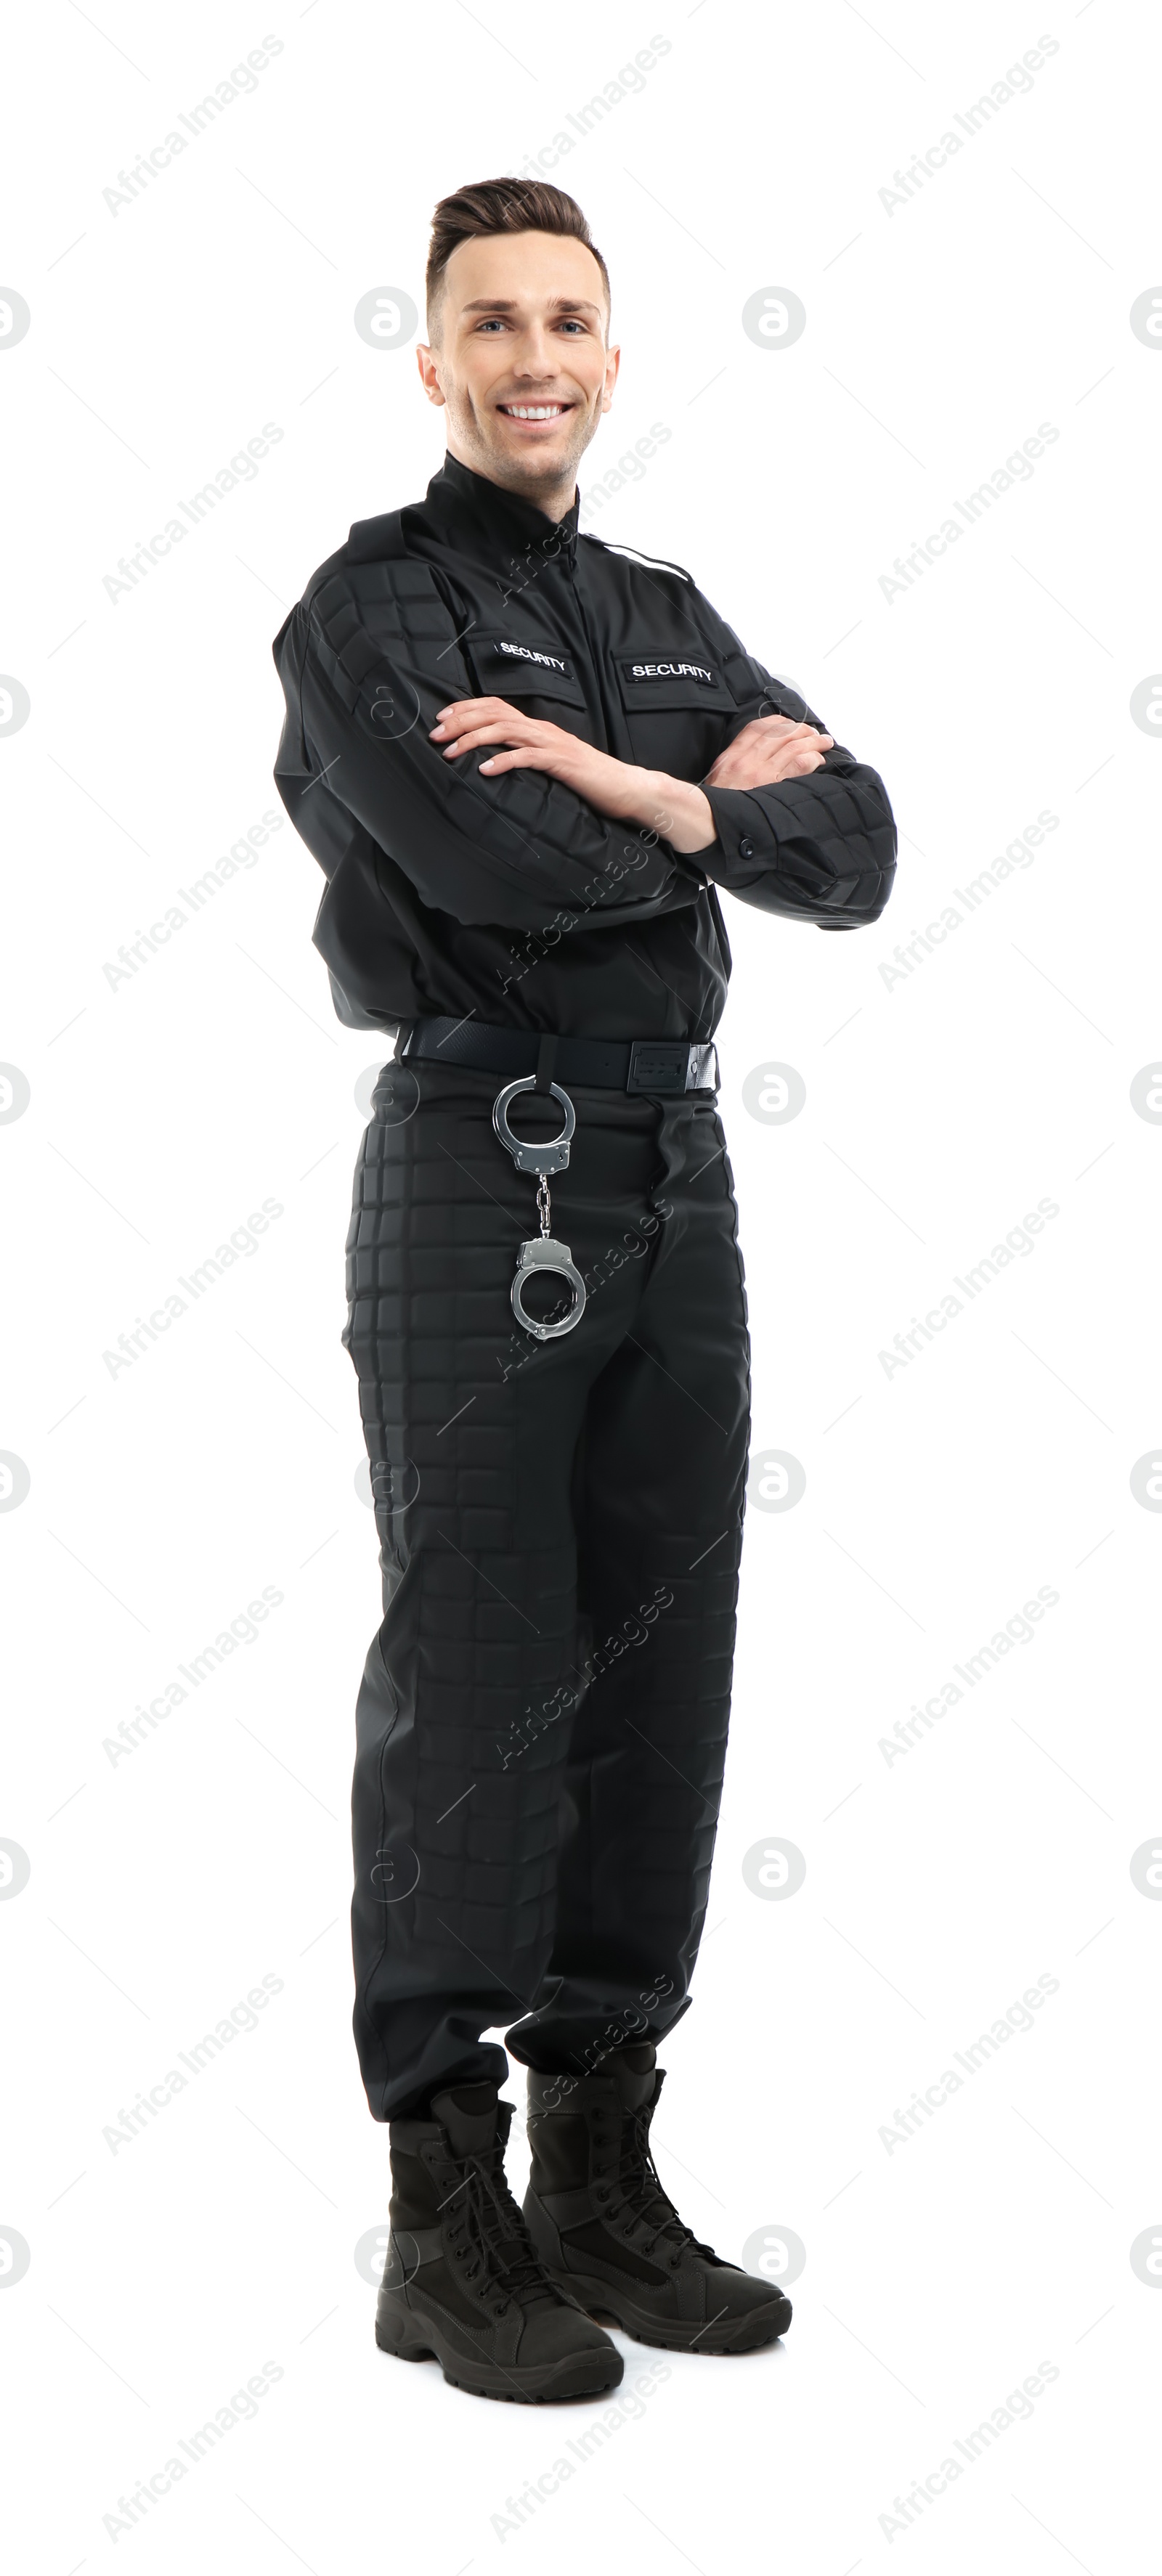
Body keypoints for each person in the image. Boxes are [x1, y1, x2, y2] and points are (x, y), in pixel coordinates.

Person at [272, 176, 896, 2404]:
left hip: (683, 1169)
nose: (536, 356)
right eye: (492, 322)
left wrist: (648, 781)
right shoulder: (367, 609)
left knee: (661, 1658)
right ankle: (442, 2218)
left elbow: (869, 844)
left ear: (612, 358)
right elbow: (491, 870)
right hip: (482, 1166)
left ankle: (595, 2176)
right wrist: (708, 816)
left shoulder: (658, 607)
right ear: (431, 359)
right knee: (482, 1674)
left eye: (570, 320)